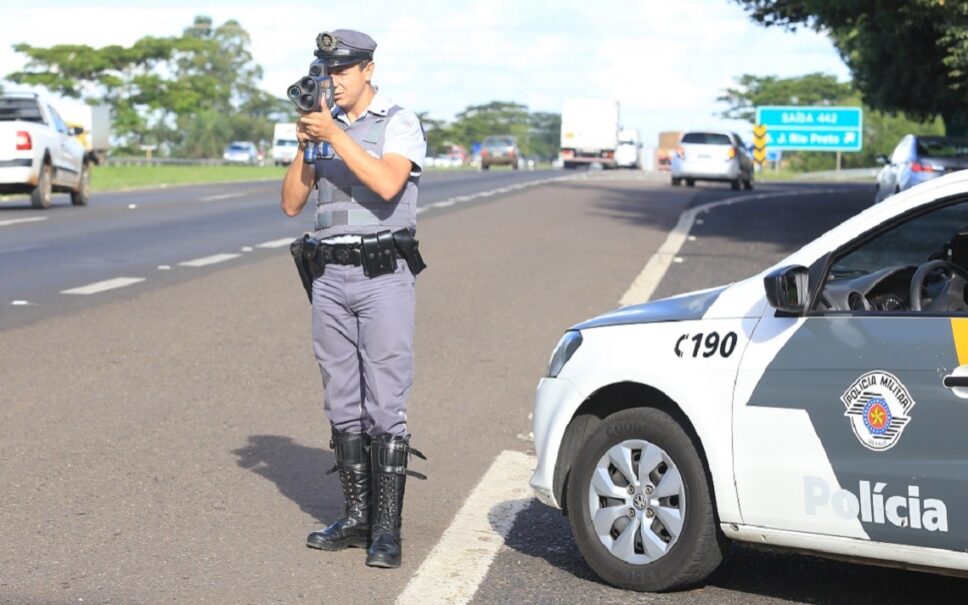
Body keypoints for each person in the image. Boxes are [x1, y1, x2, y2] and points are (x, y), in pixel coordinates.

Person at [280, 29, 427, 569]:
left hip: (382, 273)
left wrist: (337, 138)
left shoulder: (398, 122)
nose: (333, 81)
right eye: (326, 70)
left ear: (367, 69)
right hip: (329, 276)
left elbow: (388, 185)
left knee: (385, 400)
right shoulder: (321, 128)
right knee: (342, 398)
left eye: (342, 71)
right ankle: (357, 516)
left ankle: (387, 531)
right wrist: (305, 146)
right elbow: (292, 204)